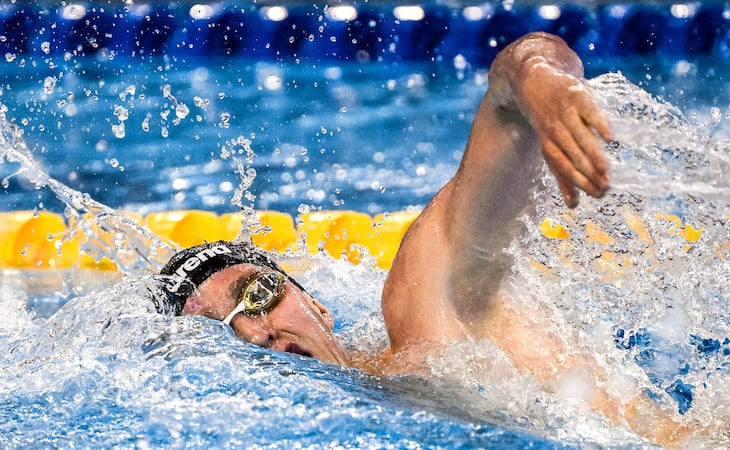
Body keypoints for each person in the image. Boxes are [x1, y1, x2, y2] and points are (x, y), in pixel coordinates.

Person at [159, 32, 694, 446]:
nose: (256, 335)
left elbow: (508, 91)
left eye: (256, 297)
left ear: (316, 303)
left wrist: (538, 81)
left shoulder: (424, 318)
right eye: (220, 335)